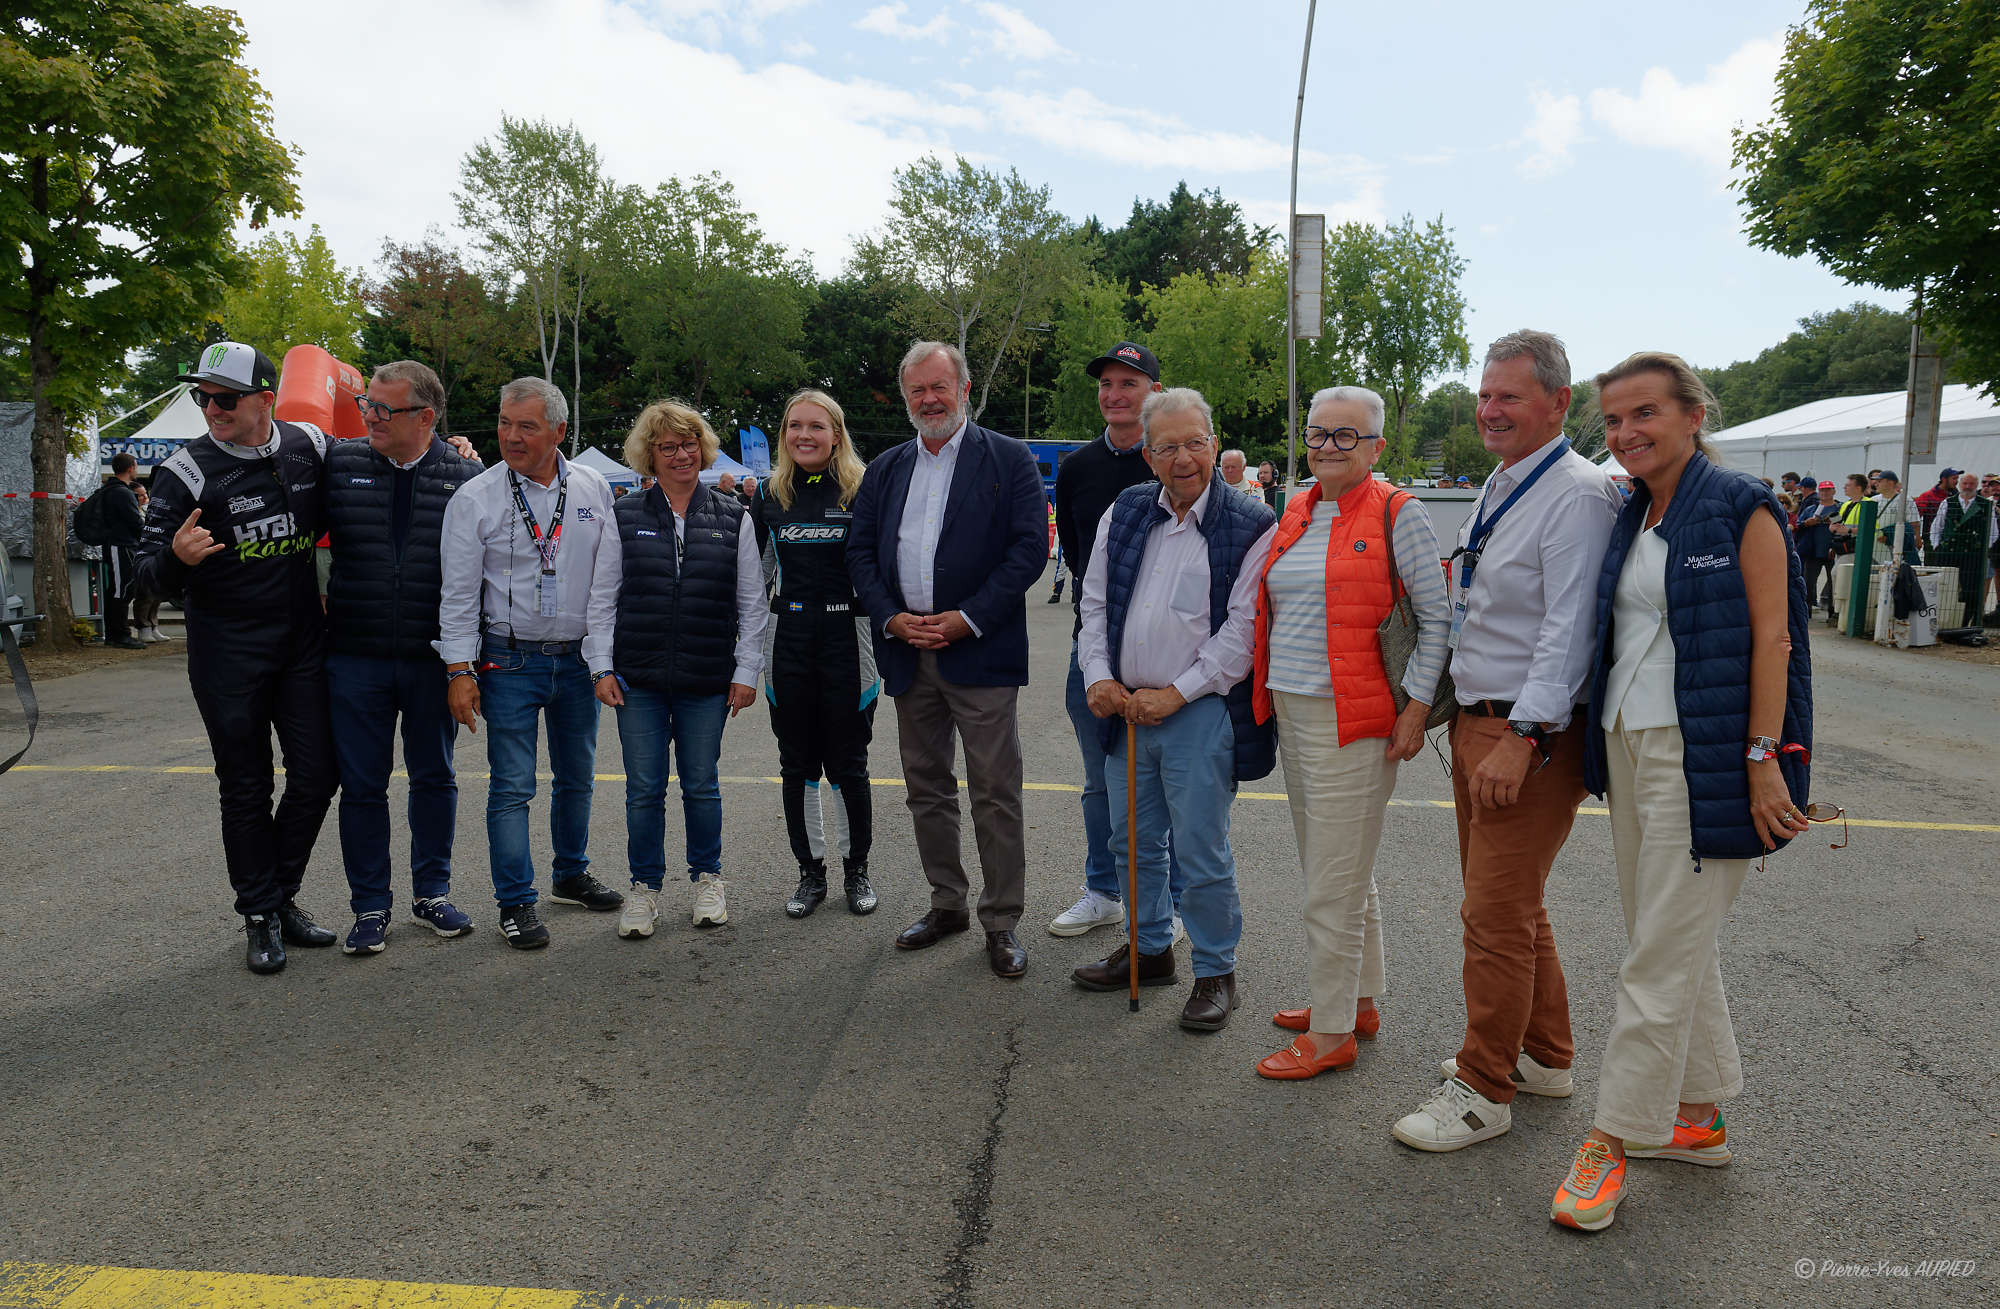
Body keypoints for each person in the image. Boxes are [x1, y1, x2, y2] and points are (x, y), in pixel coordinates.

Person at [1551, 351, 1814, 1232]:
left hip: (1708, 756)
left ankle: (1611, 1139)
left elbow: (1775, 640)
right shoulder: (1635, 510)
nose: (1626, 433)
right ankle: (1695, 1118)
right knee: (1664, 939)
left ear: (1693, 415)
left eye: (1645, 413)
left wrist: (1763, 757)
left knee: (1657, 956)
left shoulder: (1742, 504)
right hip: (1629, 742)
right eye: (1613, 420)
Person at [1391, 329, 1619, 1153]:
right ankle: (1545, 1055)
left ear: (1558, 403)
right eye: (1485, 394)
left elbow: (1569, 629)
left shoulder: (1577, 494)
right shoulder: (1507, 478)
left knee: (1492, 915)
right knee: (1514, 907)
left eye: (1509, 396)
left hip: (1529, 731)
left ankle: (1484, 1089)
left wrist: (1522, 735)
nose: (1490, 409)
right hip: (1483, 719)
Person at [1246, 386, 1449, 1078]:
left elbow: (1436, 619)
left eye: (1346, 435)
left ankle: (1331, 1032)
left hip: (1356, 720)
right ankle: (1356, 1001)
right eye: (1318, 433)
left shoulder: (1399, 511)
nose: (1328, 446)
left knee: (1331, 883)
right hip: (1294, 711)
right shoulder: (1298, 508)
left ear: (1376, 446)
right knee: (1337, 868)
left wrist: (1416, 707)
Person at [1071, 388, 1276, 1031]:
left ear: (1215, 445)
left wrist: (1176, 693)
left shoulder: (1251, 523)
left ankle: (1215, 970)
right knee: (1131, 842)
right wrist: (1099, 677)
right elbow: (1094, 603)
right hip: (1127, 709)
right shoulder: (1126, 510)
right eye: (1167, 448)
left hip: (1198, 712)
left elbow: (1241, 633)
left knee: (1199, 850)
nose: (1183, 458)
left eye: (1194, 443)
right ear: (1148, 456)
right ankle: (1150, 949)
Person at [134, 340, 340, 974]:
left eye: (224, 398)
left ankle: (279, 896)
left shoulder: (310, 444)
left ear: (265, 399)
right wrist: (176, 560)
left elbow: (378, 468)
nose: (211, 409)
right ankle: (260, 912)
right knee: (247, 786)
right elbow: (141, 577)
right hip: (228, 654)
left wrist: (449, 452)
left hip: (301, 645)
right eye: (202, 397)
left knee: (319, 774)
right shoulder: (184, 471)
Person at [846, 340, 1048, 979]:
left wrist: (968, 618)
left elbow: (1028, 550)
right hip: (909, 654)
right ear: (906, 397)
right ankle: (947, 904)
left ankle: (1001, 920)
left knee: (995, 791)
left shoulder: (1008, 458)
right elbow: (860, 553)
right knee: (926, 788)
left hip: (980, 653)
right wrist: (890, 617)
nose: (929, 400)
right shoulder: (886, 468)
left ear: (963, 389)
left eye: (939, 387)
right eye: (918, 390)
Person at [438, 377, 625, 950]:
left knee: (577, 778)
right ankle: (515, 902)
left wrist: (602, 659)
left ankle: (570, 874)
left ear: (559, 431)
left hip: (577, 661)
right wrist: (459, 670)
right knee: (512, 786)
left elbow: (607, 583)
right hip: (508, 662)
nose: (511, 436)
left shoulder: (593, 487)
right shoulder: (475, 497)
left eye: (527, 426)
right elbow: (458, 596)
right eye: (504, 423)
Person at [322, 361, 484, 955]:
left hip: (430, 658)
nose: (370, 417)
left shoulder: (467, 476)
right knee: (362, 786)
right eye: (367, 404)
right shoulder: (337, 464)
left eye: (384, 409)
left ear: (425, 417)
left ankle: (432, 893)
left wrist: (467, 664)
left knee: (434, 777)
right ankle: (369, 905)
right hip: (354, 656)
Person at [600, 400, 767, 939]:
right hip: (638, 679)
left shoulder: (733, 516)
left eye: (689, 444)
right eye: (667, 447)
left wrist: (746, 672)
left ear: (703, 449)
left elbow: (752, 604)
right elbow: (602, 597)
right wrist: (600, 666)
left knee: (701, 784)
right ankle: (644, 887)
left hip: (707, 678)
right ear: (649, 456)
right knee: (644, 789)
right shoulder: (623, 514)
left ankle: (707, 880)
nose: (680, 455)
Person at [1047, 341, 1184, 939]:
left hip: (1167, 652)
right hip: (1095, 649)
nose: (1115, 394)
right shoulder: (1077, 468)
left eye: (1129, 383)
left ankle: (1170, 901)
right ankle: (1103, 890)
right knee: (1101, 780)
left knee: (1169, 783)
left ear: (1155, 392)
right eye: (1106, 384)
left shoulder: (1178, 461)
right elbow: (1080, 561)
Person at [750, 390, 880, 919]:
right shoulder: (768, 494)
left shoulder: (863, 488)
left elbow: (882, 570)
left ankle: (856, 869)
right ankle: (810, 873)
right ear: (784, 434)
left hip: (850, 637)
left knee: (849, 764)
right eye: (794, 426)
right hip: (789, 639)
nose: (804, 435)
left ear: (836, 434)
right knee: (797, 764)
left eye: (816, 426)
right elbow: (754, 581)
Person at [1928, 470, 1996, 619]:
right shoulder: (1947, 502)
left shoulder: (1986, 505)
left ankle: (1965, 622)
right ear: (1960, 484)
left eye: (1971, 484)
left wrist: (1984, 551)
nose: (1967, 487)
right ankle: (1940, 618)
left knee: (1970, 590)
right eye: (1965, 483)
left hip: (1972, 554)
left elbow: (1993, 532)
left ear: (1976, 485)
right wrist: (1937, 546)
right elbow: (1937, 526)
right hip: (1947, 552)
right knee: (1943, 587)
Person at [98, 453, 148, 650]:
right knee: (121, 591)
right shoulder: (121, 492)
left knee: (119, 590)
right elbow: (134, 522)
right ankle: (120, 634)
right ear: (131, 468)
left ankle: (115, 633)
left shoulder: (112, 489)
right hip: (121, 546)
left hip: (119, 545)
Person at [129, 480, 171, 643]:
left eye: (145, 494)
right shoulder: (133, 511)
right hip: (140, 554)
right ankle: (143, 627)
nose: (144, 498)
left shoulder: (149, 510)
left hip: (156, 553)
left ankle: (153, 625)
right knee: (144, 594)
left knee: (157, 593)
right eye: (139, 495)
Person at [1795, 480, 1841, 623]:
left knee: (1834, 583)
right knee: (1808, 583)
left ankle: (1833, 612)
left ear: (1833, 491)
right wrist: (1807, 523)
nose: (1825, 493)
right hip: (1812, 551)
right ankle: (1806, 612)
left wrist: (1832, 522)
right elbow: (1798, 524)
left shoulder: (1839, 507)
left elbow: (1842, 524)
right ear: (1819, 492)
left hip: (1832, 551)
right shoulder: (1812, 509)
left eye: (1828, 490)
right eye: (1822, 490)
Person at [1871, 470, 1921, 563]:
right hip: (1875, 546)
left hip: (1895, 546)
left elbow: (1914, 523)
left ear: (1890, 483)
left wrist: (1916, 538)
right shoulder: (1873, 500)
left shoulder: (1905, 500)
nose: (1875, 484)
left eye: (1879, 481)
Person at [1915, 469, 1959, 540]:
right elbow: (1915, 516)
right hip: (1931, 538)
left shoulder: (1957, 496)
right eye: (1954, 478)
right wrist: (1916, 536)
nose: (1956, 481)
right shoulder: (1928, 496)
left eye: (1957, 478)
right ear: (1944, 479)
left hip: (1953, 538)